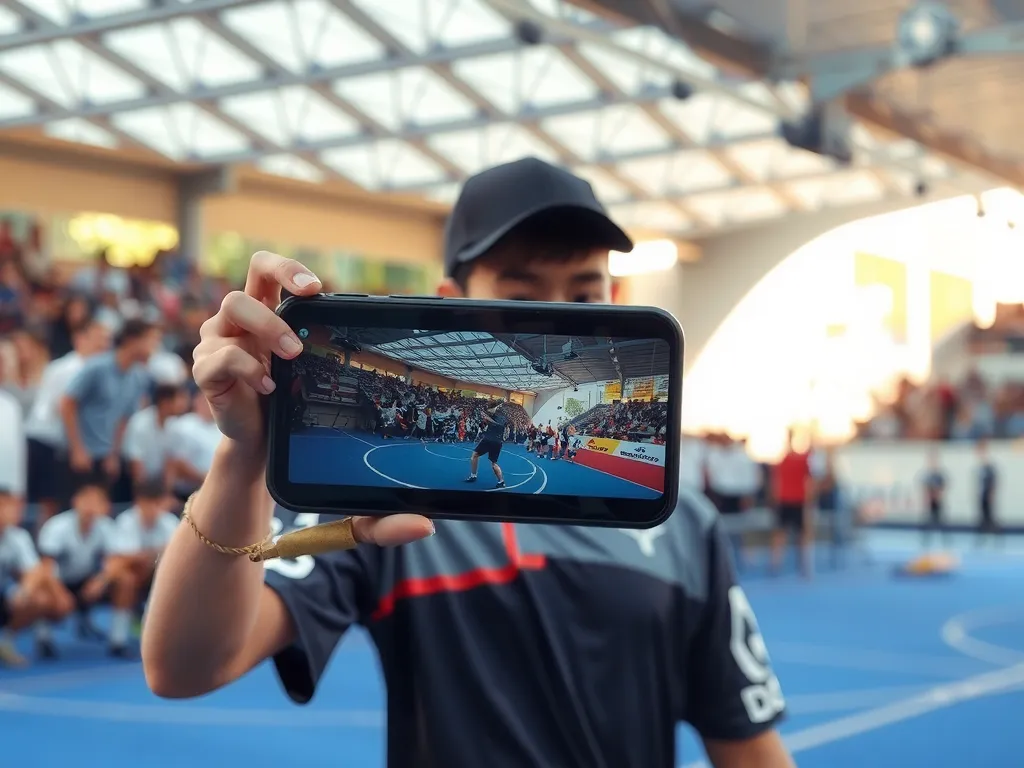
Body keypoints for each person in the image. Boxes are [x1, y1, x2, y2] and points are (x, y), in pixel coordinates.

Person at [142, 158, 792, 767]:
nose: (560, 315)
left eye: (584, 293)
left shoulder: (684, 524)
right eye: (523, 289)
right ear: (451, 297)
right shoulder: (379, 515)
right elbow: (186, 666)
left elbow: (747, 744)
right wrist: (242, 454)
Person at [59, 319, 158, 504]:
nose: (155, 346)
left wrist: (113, 454)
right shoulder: (97, 366)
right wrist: (77, 449)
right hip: (80, 456)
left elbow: (123, 420)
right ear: (132, 340)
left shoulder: (138, 377)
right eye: (151, 340)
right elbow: (67, 404)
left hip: (105, 458)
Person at [37, 481, 133, 657]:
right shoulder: (57, 526)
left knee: (125, 580)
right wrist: (59, 593)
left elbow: (115, 562)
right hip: (59, 582)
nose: (90, 507)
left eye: (96, 502)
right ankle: (44, 638)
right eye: (86, 501)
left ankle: (118, 641)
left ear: (105, 506)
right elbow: (46, 567)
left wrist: (101, 580)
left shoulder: (106, 527)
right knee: (44, 594)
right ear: (75, 502)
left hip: (88, 581)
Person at [0, 488, 73, 667]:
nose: (17, 510)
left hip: (3, 594)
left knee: (39, 599)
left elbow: (34, 572)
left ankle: (5, 643)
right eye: (9, 506)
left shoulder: (18, 536)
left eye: (17, 506)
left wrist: (24, 592)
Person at [771, 432, 814, 577]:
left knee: (784, 534)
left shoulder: (786, 461)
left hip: (790, 500)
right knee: (798, 535)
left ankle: (778, 565)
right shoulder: (797, 460)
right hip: (793, 501)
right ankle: (802, 567)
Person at [465, 401, 507, 489]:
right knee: (474, 456)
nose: (489, 410)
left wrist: (487, 418)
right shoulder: (490, 416)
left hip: (495, 441)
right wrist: (483, 422)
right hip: (488, 439)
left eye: (490, 408)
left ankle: (501, 481)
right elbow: (483, 426)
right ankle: (473, 476)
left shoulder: (501, 417)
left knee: (493, 464)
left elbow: (498, 424)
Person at [920, 447, 947, 549]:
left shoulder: (939, 475)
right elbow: (924, 487)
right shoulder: (928, 475)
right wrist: (927, 498)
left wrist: (938, 495)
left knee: (941, 520)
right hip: (930, 501)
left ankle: (945, 540)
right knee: (928, 520)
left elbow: (943, 487)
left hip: (937, 501)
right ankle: (926, 540)